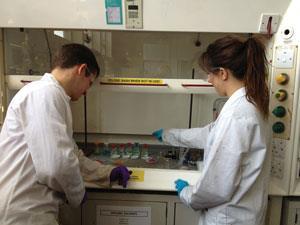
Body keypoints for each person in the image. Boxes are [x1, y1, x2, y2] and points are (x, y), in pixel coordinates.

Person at [0, 43, 131, 225]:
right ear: (82, 70)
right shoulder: (45, 94)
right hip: (23, 213)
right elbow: (56, 164)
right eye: (89, 83)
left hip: (30, 210)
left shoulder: (52, 96)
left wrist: (106, 173)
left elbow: (69, 154)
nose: (86, 92)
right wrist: (77, 193)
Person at [152, 35, 270, 225]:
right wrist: (169, 134)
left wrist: (187, 193)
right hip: (245, 214)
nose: (208, 79)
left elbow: (217, 186)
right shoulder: (249, 104)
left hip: (229, 218)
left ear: (223, 73)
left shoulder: (236, 115)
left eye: (210, 73)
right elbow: (209, 134)